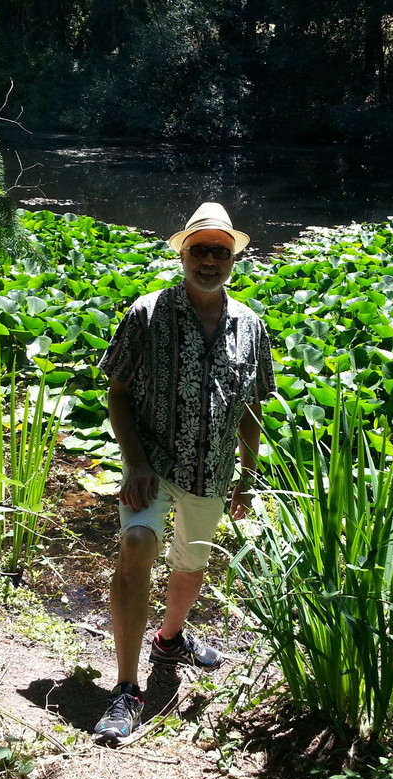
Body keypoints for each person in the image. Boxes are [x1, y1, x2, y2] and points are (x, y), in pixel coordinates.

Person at [92, 202, 276, 746]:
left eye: (221, 251)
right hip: (152, 462)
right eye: (200, 249)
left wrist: (249, 472)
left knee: (191, 566)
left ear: (234, 258)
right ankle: (127, 688)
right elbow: (118, 393)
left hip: (212, 469)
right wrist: (136, 463)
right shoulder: (146, 314)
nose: (210, 260)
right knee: (137, 542)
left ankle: (170, 639)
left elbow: (250, 406)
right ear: (182, 253)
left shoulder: (251, 325)